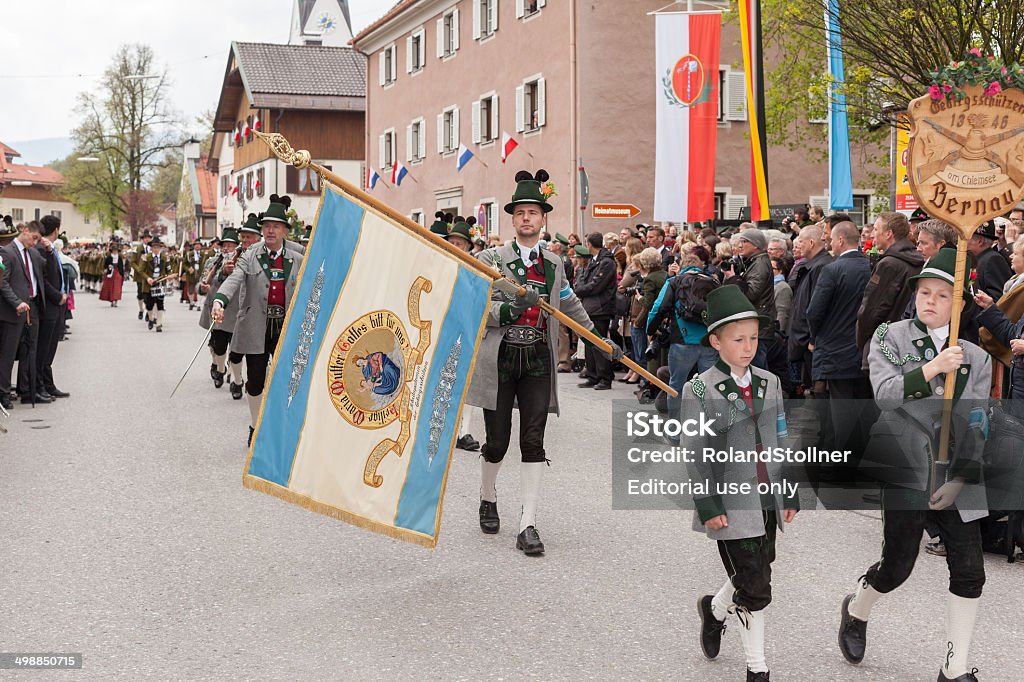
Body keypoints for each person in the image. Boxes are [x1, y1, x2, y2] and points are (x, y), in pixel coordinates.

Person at [839, 248, 991, 682]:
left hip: (955, 474)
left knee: (969, 571)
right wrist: (931, 369)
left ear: (958, 303)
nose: (930, 301)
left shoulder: (976, 357)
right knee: (897, 567)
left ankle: (954, 667)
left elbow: (978, 421)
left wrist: (962, 476)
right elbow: (884, 394)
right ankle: (856, 607)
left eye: (942, 295)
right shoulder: (891, 336)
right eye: (924, 292)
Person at [465, 169, 620, 556]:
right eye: (520, 213)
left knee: (533, 440)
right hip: (499, 358)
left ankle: (528, 523)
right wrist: (507, 309)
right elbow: (477, 305)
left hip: (537, 358)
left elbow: (568, 303)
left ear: (543, 218)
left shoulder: (555, 263)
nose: (527, 219)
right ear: (512, 219)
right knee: (497, 442)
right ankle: (487, 496)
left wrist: (597, 340)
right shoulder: (491, 258)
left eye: (533, 212)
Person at [683, 285, 798, 682]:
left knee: (758, 568)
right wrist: (709, 505)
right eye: (738, 339)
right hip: (730, 502)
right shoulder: (698, 389)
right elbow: (695, 453)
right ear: (715, 341)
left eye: (752, 338)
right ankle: (757, 668)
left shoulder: (769, 382)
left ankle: (714, 611)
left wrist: (791, 488)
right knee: (757, 588)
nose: (748, 347)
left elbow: (782, 436)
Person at [213, 199, 304, 445]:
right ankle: (255, 424)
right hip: (256, 326)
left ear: (285, 230)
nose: (270, 231)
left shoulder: (298, 257)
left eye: (276, 226)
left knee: (289, 379)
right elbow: (234, 280)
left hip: (285, 327)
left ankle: (284, 424)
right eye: (266, 226)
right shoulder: (250, 256)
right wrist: (219, 301)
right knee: (255, 381)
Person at [805, 221, 873, 482]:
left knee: (841, 414)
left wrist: (815, 337)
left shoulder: (833, 270)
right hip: (864, 351)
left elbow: (814, 311)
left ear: (841, 240)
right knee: (863, 410)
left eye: (831, 239)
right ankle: (858, 463)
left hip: (835, 350)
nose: (829, 244)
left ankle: (842, 469)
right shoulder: (872, 267)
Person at [855, 212, 924, 365]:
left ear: (888, 234)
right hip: (908, 343)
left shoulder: (889, 264)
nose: (873, 234)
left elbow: (872, 309)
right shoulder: (918, 260)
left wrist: (862, 340)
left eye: (876, 229)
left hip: (885, 345)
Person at [0, 221, 48, 406]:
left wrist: (50, 251)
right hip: (13, 311)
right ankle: (3, 393)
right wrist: (16, 302)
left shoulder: (33, 253)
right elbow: (3, 283)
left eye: (38, 240)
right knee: (8, 354)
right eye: (34, 238)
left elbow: (45, 271)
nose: (34, 242)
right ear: (25, 231)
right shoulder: (7, 251)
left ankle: (28, 391)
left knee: (30, 352)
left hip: (32, 307)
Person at [445, 217, 482, 452]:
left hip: (467, 331)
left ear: (468, 246)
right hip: (445, 330)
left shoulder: (477, 269)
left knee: (467, 383)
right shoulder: (440, 263)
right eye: (453, 242)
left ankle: (463, 431)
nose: (456, 247)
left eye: (460, 243)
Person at [721, 228, 776, 369]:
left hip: (759, 326)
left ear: (756, 245)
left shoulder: (760, 265)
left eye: (744, 241)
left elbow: (750, 295)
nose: (740, 245)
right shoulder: (754, 262)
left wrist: (734, 278)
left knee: (757, 370)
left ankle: (764, 392)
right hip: (755, 324)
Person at [200, 228, 244, 397]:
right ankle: (219, 368)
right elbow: (202, 283)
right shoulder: (212, 261)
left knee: (236, 349)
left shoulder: (242, 262)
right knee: (218, 346)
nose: (226, 248)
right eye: (224, 245)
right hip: (216, 309)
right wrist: (203, 287)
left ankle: (236, 380)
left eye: (230, 245)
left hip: (236, 311)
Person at [573, 232, 618, 391]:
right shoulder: (594, 260)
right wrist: (580, 288)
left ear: (589, 244)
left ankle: (605, 378)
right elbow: (584, 279)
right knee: (589, 344)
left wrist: (579, 290)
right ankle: (592, 375)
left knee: (600, 345)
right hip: (589, 307)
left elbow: (597, 285)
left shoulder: (607, 262)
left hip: (601, 308)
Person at [34, 215, 70, 400]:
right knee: (44, 349)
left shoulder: (49, 248)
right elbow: (43, 280)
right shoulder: (42, 249)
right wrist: (58, 296)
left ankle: (48, 384)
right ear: (56, 230)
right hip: (49, 305)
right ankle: (39, 386)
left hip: (57, 305)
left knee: (51, 348)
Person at [967, 220, 1013, 301]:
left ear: (980, 241)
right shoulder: (977, 260)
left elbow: (997, 299)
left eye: (966, 238)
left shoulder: (993, 260)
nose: (962, 242)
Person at [132, 230, 154, 322]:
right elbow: (132, 262)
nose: (146, 239)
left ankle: (148, 312)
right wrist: (138, 269)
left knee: (148, 295)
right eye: (145, 238)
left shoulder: (153, 248)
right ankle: (141, 309)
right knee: (140, 294)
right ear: (142, 239)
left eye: (148, 238)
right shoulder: (137, 248)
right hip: (140, 276)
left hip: (150, 275)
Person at [770, 254, 793, 334]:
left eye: (772, 268)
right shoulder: (768, 284)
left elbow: (782, 314)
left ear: (780, 271)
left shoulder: (783, 288)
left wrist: (778, 333)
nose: (768, 270)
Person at [99, 241, 125, 307]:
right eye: (114, 250)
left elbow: (121, 266)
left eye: (116, 250)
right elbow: (105, 265)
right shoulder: (109, 258)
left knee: (117, 288)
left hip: (118, 273)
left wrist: (122, 274)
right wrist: (108, 267)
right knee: (110, 288)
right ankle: (112, 300)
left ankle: (115, 300)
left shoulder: (119, 258)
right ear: (112, 251)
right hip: (110, 274)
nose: (115, 251)